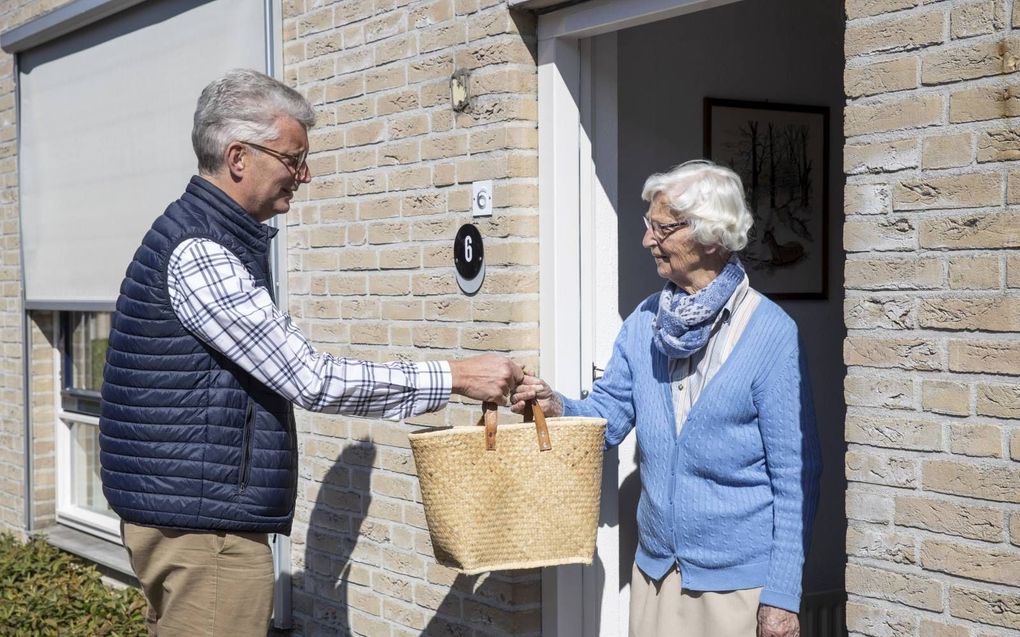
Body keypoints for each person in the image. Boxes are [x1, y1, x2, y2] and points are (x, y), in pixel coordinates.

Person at [98, 68, 523, 636]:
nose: (305, 173)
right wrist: (456, 377)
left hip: (190, 515)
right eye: (293, 159)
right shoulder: (203, 251)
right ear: (239, 157)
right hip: (206, 531)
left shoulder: (204, 234)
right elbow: (311, 378)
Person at [511, 160, 821, 637]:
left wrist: (781, 594)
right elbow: (606, 420)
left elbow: (796, 476)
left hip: (737, 588)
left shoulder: (771, 333)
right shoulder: (644, 323)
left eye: (662, 228)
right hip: (655, 574)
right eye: (648, 226)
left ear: (711, 236)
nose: (647, 240)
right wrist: (556, 405)